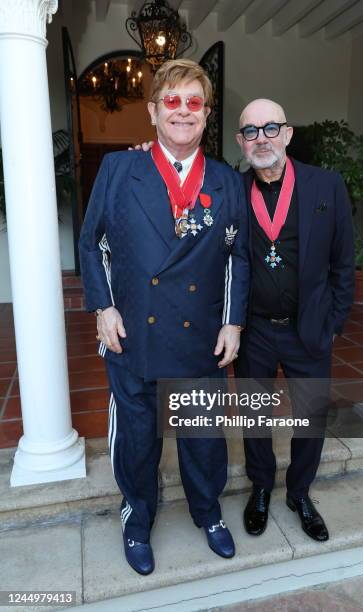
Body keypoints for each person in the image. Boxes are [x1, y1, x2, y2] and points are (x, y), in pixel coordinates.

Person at [79, 59, 250, 575]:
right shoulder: (118, 169)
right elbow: (90, 244)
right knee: (137, 440)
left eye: (193, 103)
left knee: (203, 438)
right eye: (171, 101)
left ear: (206, 114)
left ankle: (208, 513)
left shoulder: (225, 181)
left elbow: (238, 256)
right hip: (132, 336)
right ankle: (137, 520)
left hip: (199, 337)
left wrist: (233, 321)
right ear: (153, 111)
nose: (182, 112)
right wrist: (101, 306)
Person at [234, 99, 354, 542]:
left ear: (287, 134)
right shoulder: (231, 189)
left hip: (309, 328)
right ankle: (261, 487)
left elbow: (344, 263)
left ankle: (299, 492)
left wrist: (334, 322)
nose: (261, 138)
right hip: (254, 330)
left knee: (310, 417)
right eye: (251, 131)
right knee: (255, 416)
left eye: (270, 128)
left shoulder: (326, 186)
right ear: (240, 142)